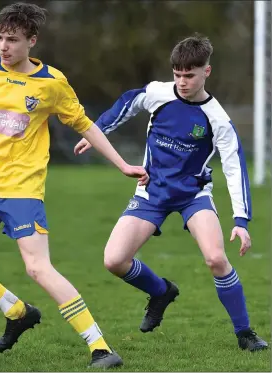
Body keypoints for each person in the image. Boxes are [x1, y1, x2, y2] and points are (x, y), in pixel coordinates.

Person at [0, 2, 149, 368]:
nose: (4, 46)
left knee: (39, 268)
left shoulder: (51, 83)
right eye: (0, 38)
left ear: (32, 41)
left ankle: (100, 346)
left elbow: (85, 124)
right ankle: (17, 311)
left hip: (22, 191)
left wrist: (122, 164)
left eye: (12, 39)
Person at [74, 34, 268, 352]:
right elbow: (128, 102)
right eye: (177, 74)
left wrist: (241, 221)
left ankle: (245, 333)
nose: (181, 81)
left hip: (193, 195)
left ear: (207, 71)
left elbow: (235, 168)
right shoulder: (159, 93)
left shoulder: (217, 118)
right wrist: (99, 129)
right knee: (114, 260)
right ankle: (161, 291)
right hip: (152, 191)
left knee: (216, 258)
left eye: (189, 75)